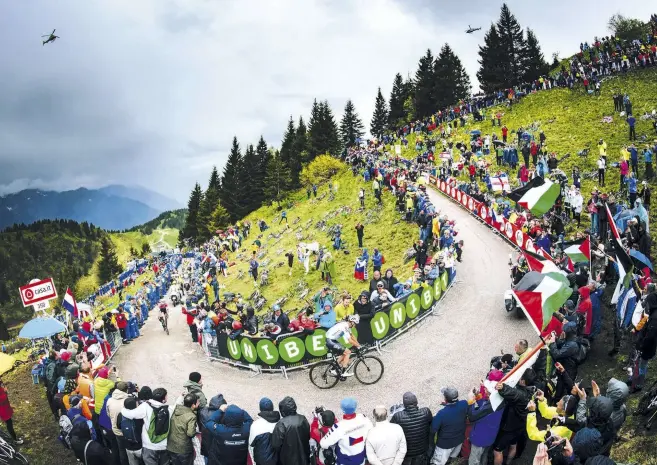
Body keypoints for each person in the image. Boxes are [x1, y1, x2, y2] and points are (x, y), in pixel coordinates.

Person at [120, 387, 174, 465]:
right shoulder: (170, 409)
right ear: (164, 399)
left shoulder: (145, 406)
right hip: (164, 445)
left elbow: (130, 414)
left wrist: (123, 409)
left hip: (149, 446)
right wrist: (181, 397)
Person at [492, 369, 536, 465]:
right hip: (519, 426)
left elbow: (511, 393)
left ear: (523, 381)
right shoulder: (532, 390)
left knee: (497, 451)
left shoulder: (520, 394)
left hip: (509, 427)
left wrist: (502, 387)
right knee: (513, 445)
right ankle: (508, 463)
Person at [320, 398, 373, 465]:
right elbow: (371, 430)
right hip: (360, 459)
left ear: (343, 410)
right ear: (355, 407)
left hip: (344, 461)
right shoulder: (364, 419)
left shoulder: (339, 427)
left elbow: (323, 444)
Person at [390, 392, 433, 465]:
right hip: (423, 452)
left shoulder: (398, 416)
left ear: (404, 405)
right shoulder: (426, 412)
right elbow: (431, 423)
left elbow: (390, 429)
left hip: (407, 455)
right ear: (417, 402)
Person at [430, 387, 468, 465]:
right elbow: (456, 408)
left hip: (444, 445)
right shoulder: (464, 404)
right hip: (458, 441)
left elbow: (433, 429)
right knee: (449, 460)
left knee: (437, 463)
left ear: (445, 399)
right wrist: (447, 404)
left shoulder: (441, 414)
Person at [271, 396, 311, 465]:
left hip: (287, 460)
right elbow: (308, 435)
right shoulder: (303, 419)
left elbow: (276, 444)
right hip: (304, 458)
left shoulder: (281, 424)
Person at [167, 393, 199, 465]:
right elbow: (190, 433)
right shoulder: (191, 416)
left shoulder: (176, 410)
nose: (198, 403)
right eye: (197, 402)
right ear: (193, 405)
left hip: (171, 446)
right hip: (183, 449)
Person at [248, 397, 280, 465]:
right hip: (278, 459)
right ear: (272, 407)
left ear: (260, 409)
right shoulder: (280, 422)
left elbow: (251, 443)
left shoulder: (255, 425)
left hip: (262, 461)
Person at [106, 381, 131, 465]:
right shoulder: (128, 400)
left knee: (121, 450)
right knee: (130, 451)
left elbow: (108, 414)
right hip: (127, 431)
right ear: (126, 390)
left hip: (116, 430)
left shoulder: (109, 400)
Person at [0, 380, 22, 444]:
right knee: (9, 423)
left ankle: (14, 438)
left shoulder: (1, 384)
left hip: (5, 408)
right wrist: (5, 392)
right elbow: (2, 399)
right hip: (3, 410)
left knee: (9, 423)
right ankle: (15, 440)